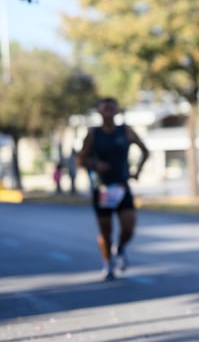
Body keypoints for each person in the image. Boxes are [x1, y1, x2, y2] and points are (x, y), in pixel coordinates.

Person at [77, 97, 150, 280]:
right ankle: (107, 264)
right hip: (102, 189)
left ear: (117, 111)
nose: (109, 111)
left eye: (112, 108)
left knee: (129, 227)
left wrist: (137, 172)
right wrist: (95, 165)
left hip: (122, 186)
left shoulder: (126, 131)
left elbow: (145, 151)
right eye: (105, 108)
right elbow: (81, 160)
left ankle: (121, 247)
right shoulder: (93, 134)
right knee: (105, 231)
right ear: (99, 112)